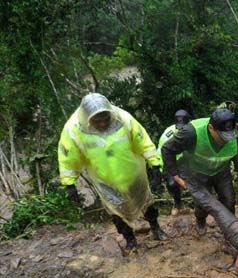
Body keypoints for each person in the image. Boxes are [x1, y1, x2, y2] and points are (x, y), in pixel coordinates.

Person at [58, 93, 167, 251]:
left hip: (133, 175)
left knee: (147, 203)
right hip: (106, 182)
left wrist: (155, 164)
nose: (102, 124)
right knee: (116, 213)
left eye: (105, 119)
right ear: (88, 117)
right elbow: (68, 157)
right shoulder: (73, 130)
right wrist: (70, 184)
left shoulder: (123, 118)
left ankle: (156, 228)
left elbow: (142, 139)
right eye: (97, 121)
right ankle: (130, 240)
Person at [161, 108, 238, 235]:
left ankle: (230, 228)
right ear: (211, 128)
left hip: (221, 170)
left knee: (229, 200)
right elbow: (167, 149)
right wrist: (175, 175)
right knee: (202, 204)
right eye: (223, 136)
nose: (227, 140)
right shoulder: (191, 132)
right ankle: (200, 221)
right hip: (198, 172)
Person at [157, 109, 192, 215]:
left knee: (197, 179)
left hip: (188, 159)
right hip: (171, 160)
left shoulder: (193, 129)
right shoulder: (169, 133)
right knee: (172, 184)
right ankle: (178, 204)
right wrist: (161, 169)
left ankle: (198, 204)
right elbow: (161, 150)